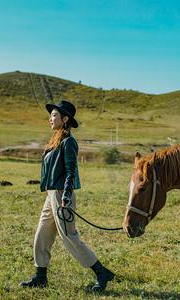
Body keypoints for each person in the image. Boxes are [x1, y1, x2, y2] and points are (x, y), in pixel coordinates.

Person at [20, 100, 114, 292]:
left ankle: (101, 272)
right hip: (51, 194)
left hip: (62, 194)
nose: (50, 119)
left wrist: (66, 195)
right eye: (51, 115)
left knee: (68, 236)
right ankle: (40, 277)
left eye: (54, 115)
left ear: (65, 119)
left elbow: (71, 171)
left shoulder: (69, 142)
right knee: (42, 234)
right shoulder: (57, 140)